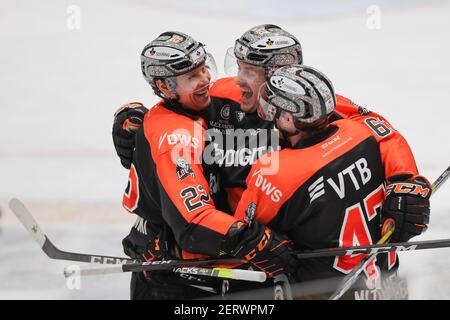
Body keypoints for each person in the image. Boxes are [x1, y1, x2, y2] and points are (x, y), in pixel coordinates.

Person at [118, 31, 299, 300]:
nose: (205, 80)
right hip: (176, 281)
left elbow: (350, 118)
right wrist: (257, 242)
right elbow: (193, 225)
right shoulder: (174, 137)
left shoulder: (215, 96)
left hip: (222, 268)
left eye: (204, 69)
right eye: (193, 76)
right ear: (165, 87)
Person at [233, 64, 431, 299]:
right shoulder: (361, 133)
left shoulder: (274, 172)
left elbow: (239, 232)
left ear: (288, 117)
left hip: (326, 293)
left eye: (272, 107)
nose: (268, 112)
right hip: (388, 288)